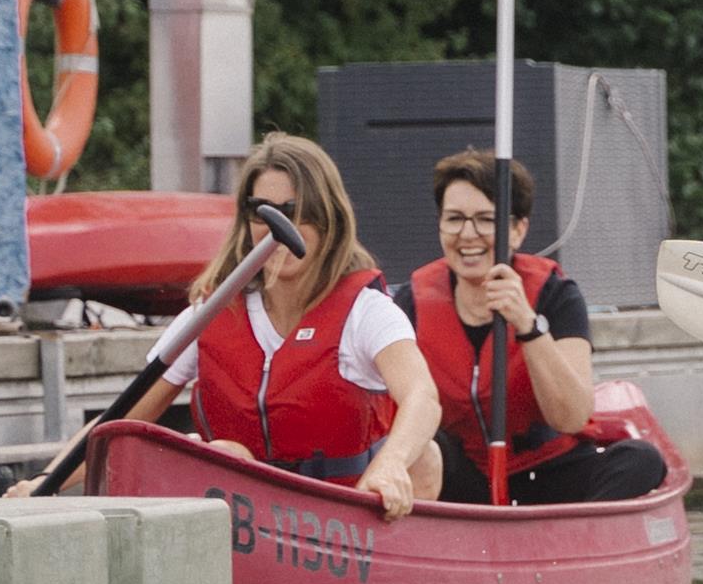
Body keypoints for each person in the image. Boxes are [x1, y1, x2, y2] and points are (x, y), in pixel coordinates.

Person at [69, 133, 439, 520]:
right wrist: (42, 482)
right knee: (224, 453)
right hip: (242, 514)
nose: (277, 229)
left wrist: (392, 462)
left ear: (328, 219)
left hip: (342, 520)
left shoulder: (366, 312)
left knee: (426, 457)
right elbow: (120, 421)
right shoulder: (210, 314)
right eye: (262, 211)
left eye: (295, 211)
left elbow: (422, 396)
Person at [396, 151, 671, 506]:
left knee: (642, 460)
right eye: (454, 219)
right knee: (425, 448)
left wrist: (527, 325)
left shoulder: (557, 296)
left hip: (549, 471)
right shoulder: (410, 302)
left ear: (517, 229)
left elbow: (572, 416)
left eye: (485, 220)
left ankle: (576, 542)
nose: (468, 234)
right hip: (466, 480)